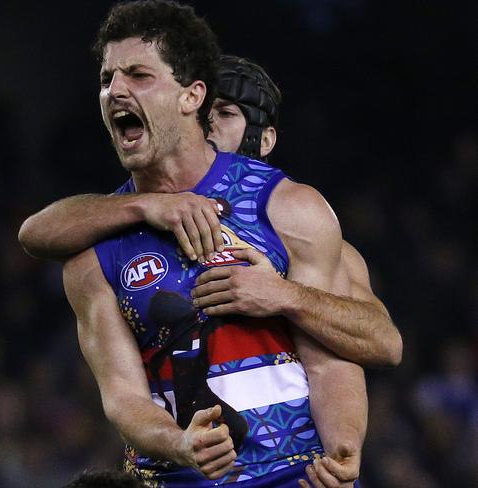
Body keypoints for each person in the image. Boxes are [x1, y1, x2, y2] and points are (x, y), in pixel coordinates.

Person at [22, 1, 400, 486]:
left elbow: (330, 362)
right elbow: (123, 397)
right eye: (106, 79)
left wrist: (343, 450)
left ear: (191, 96)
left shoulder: (287, 208)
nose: (115, 90)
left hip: (293, 476)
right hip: (179, 478)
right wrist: (180, 443)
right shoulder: (93, 248)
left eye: (138, 75)